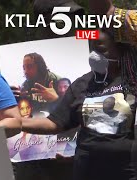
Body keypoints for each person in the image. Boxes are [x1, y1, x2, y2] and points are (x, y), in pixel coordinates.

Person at [22, 29, 137, 180]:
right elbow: (56, 123)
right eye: (93, 49)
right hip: (86, 169)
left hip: (126, 170)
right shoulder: (81, 84)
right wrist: (18, 123)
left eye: (101, 49)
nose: (95, 55)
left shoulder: (132, 79)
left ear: (119, 50)